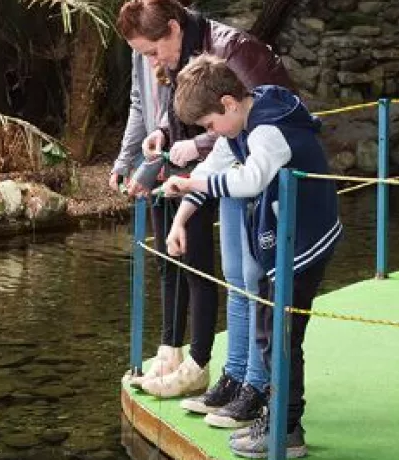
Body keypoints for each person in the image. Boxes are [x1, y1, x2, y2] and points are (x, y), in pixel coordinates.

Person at [115, 0, 293, 425]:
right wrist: (165, 135)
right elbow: (220, 139)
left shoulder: (235, 52)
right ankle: (235, 377)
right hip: (229, 176)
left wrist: (195, 151)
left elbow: (250, 129)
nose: (153, 63)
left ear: (173, 29)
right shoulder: (185, 58)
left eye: (153, 51)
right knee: (236, 280)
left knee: (258, 286)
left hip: (266, 187)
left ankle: (262, 389)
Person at [161, 54, 342, 459]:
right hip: (283, 236)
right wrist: (181, 220)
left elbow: (251, 179)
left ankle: (286, 430)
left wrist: (193, 179)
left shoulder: (267, 128)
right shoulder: (239, 125)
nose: (211, 133)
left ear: (227, 104)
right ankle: (277, 419)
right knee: (269, 330)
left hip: (304, 240)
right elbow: (211, 169)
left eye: (209, 125)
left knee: (281, 337)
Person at [112, 39, 188, 388]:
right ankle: (170, 346)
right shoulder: (138, 49)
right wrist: (126, 161)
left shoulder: (188, 39)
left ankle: (195, 358)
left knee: (194, 262)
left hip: (190, 164)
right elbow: (139, 105)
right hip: (156, 162)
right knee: (164, 259)